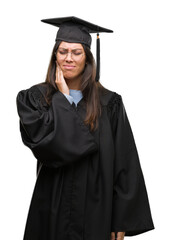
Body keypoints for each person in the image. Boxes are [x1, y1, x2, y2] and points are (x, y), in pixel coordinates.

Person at [16, 16, 154, 240]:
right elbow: (46, 147)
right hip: (52, 205)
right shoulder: (37, 99)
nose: (68, 58)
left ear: (88, 57)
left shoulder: (109, 103)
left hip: (96, 209)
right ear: (55, 55)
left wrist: (120, 219)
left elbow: (125, 163)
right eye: (62, 51)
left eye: (76, 52)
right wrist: (63, 98)